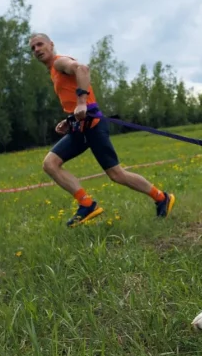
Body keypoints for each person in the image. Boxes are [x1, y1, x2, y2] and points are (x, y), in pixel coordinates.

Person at [29, 33, 176, 227]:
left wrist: (81, 102)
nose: (37, 49)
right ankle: (87, 204)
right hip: (79, 127)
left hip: (93, 125)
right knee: (50, 164)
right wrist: (70, 119)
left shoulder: (59, 63)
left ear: (51, 45)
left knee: (116, 174)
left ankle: (161, 197)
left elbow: (82, 69)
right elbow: (72, 97)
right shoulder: (53, 71)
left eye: (40, 44)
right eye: (33, 48)